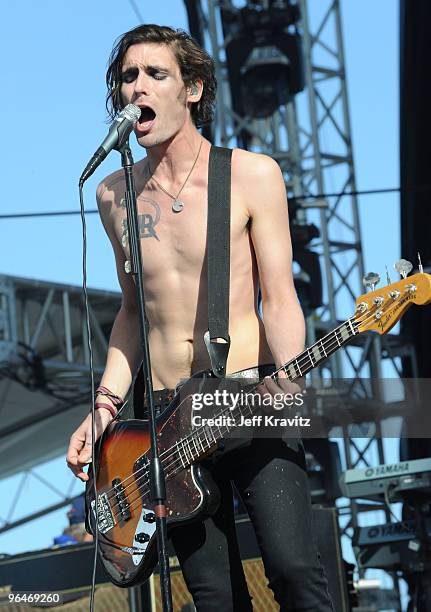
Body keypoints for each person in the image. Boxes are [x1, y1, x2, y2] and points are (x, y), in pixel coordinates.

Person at [67, 24, 334, 611]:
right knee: (214, 597)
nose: (137, 88)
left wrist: (290, 379)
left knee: (293, 571)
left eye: (155, 74)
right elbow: (133, 312)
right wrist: (105, 405)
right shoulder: (114, 195)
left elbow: (280, 296)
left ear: (193, 89)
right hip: (165, 423)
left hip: (247, 393)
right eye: (127, 77)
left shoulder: (251, 174)